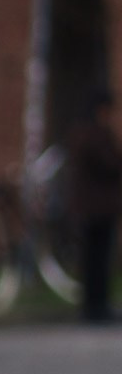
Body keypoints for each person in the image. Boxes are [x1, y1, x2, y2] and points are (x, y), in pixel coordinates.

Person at [64, 89, 121, 325]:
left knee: (92, 260)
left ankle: (93, 305)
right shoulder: (95, 135)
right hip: (98, 209)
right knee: (96, 261)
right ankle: (95, 307)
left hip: (88, 208)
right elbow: (110, 165)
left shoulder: (80, 133)